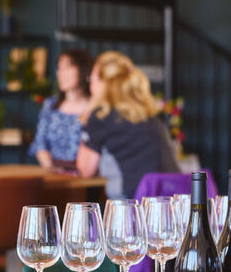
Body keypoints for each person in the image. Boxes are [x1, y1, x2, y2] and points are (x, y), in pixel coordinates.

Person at [77, 51, 180, 199]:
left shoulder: (101, 116)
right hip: (172, 202)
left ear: (103, 84)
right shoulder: (150, 116)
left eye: (91, 80)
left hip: (133, 206)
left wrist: (87, 115)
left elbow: (85, 169)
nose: (90, 86)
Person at [28, 50, 94, 169]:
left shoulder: (95, 106)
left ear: (83, 69)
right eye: (59, 68)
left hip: (88, 175)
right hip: (54, 173)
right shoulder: (50, 105)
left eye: (67, 67)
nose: (61, 73)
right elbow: (40, 144)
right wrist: (54, 170)